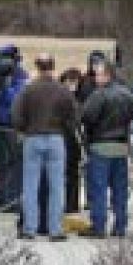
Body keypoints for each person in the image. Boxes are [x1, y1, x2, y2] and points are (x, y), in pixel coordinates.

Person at [12, 54, 78, 241]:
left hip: (33, 137)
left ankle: (29, 228)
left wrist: (24, 128)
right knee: (57, 186)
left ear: (37, 67)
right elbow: (73, 117)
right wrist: (64, 130)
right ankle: (55, 229)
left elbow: (16, 115)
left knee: (30, 186)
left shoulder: (28, 90)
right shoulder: (63, 90)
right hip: (56, 138)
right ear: (53, 67)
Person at [80, 61, 133, 238]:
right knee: (120, 189)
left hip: (100, 145)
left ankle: (99, 226)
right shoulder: (128, 95)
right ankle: (120, 226)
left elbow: (87, 117)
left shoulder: (98, 95)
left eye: (98, 74)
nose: (95, 78)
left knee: (99, 188)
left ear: (107, 75)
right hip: (121, 146)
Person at [0, 45, 28, 213]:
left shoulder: (20, 75)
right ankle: (3, 196)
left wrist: (4, 87)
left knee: (14, 163)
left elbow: (16, 98)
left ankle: (14, 199)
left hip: (12, 126)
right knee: (1, 162)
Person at [57, 68, 85, 214]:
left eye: (75, 82)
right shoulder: (67, 100)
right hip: (65, 139)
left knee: (72, 174)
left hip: (71, 141)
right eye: (70, 81)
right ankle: (69, 204)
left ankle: (72, 204)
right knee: (67, 174)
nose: (72, 85)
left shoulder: (77, 100)